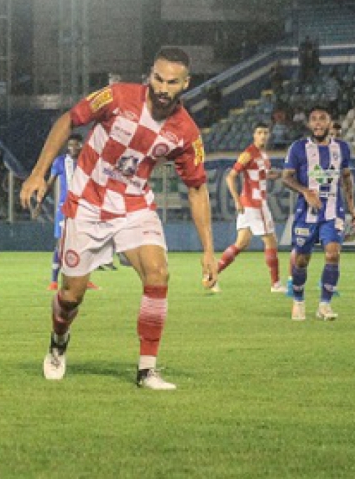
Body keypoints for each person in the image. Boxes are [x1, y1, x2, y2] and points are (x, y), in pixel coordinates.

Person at [20, 47, 217, 390]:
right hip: (87, 202)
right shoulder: (117, 97)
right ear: (150, 74)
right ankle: (58, 342)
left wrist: (209, 251)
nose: (162, 87)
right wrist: (38, 173)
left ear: (185, 84)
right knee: (71, 296)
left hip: (133, 205)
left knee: (158, 273)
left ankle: (147, 370)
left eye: (172, 82)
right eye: (157, 77)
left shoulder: (186, 133)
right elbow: (68, 120)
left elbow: (197, 189)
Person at [281, 106, 355, 322]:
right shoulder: (298, 148)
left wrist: (352, 206)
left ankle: (324, 305)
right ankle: (298, 300)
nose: (317, 123)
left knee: (333, 254)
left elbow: (346, 177)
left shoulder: (342, 148)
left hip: (333, 210)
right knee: (302, 260)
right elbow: (286, 177)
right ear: (309, 124)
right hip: (306, 212)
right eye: (313, 119)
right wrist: (305, 191)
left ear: (329, 122)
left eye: (322, 119)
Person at [214, 123, 285, 293]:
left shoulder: (263, 155)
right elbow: (230, 177)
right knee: (271, 241)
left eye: (265, 133)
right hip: (255, 204)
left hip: (251, 205)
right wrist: (237, 200)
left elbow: (262, 175)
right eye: (259, 132)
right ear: (254, 135)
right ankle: (275, 284)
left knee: (241, 243)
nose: (263, 136)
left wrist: (280, 175)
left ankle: (212, 275)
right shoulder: (248, 154)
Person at [43, 134, 101, 291]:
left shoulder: (88, 162)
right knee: (61, 243)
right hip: (65, 208)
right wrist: (39, 203)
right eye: (70, 145)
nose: (72, 148)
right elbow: (50, 183)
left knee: (86, 244)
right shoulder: (60, 162)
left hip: (84, 208)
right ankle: (54, 280)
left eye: (76, 145)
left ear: (82, 145)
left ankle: (85, 280)